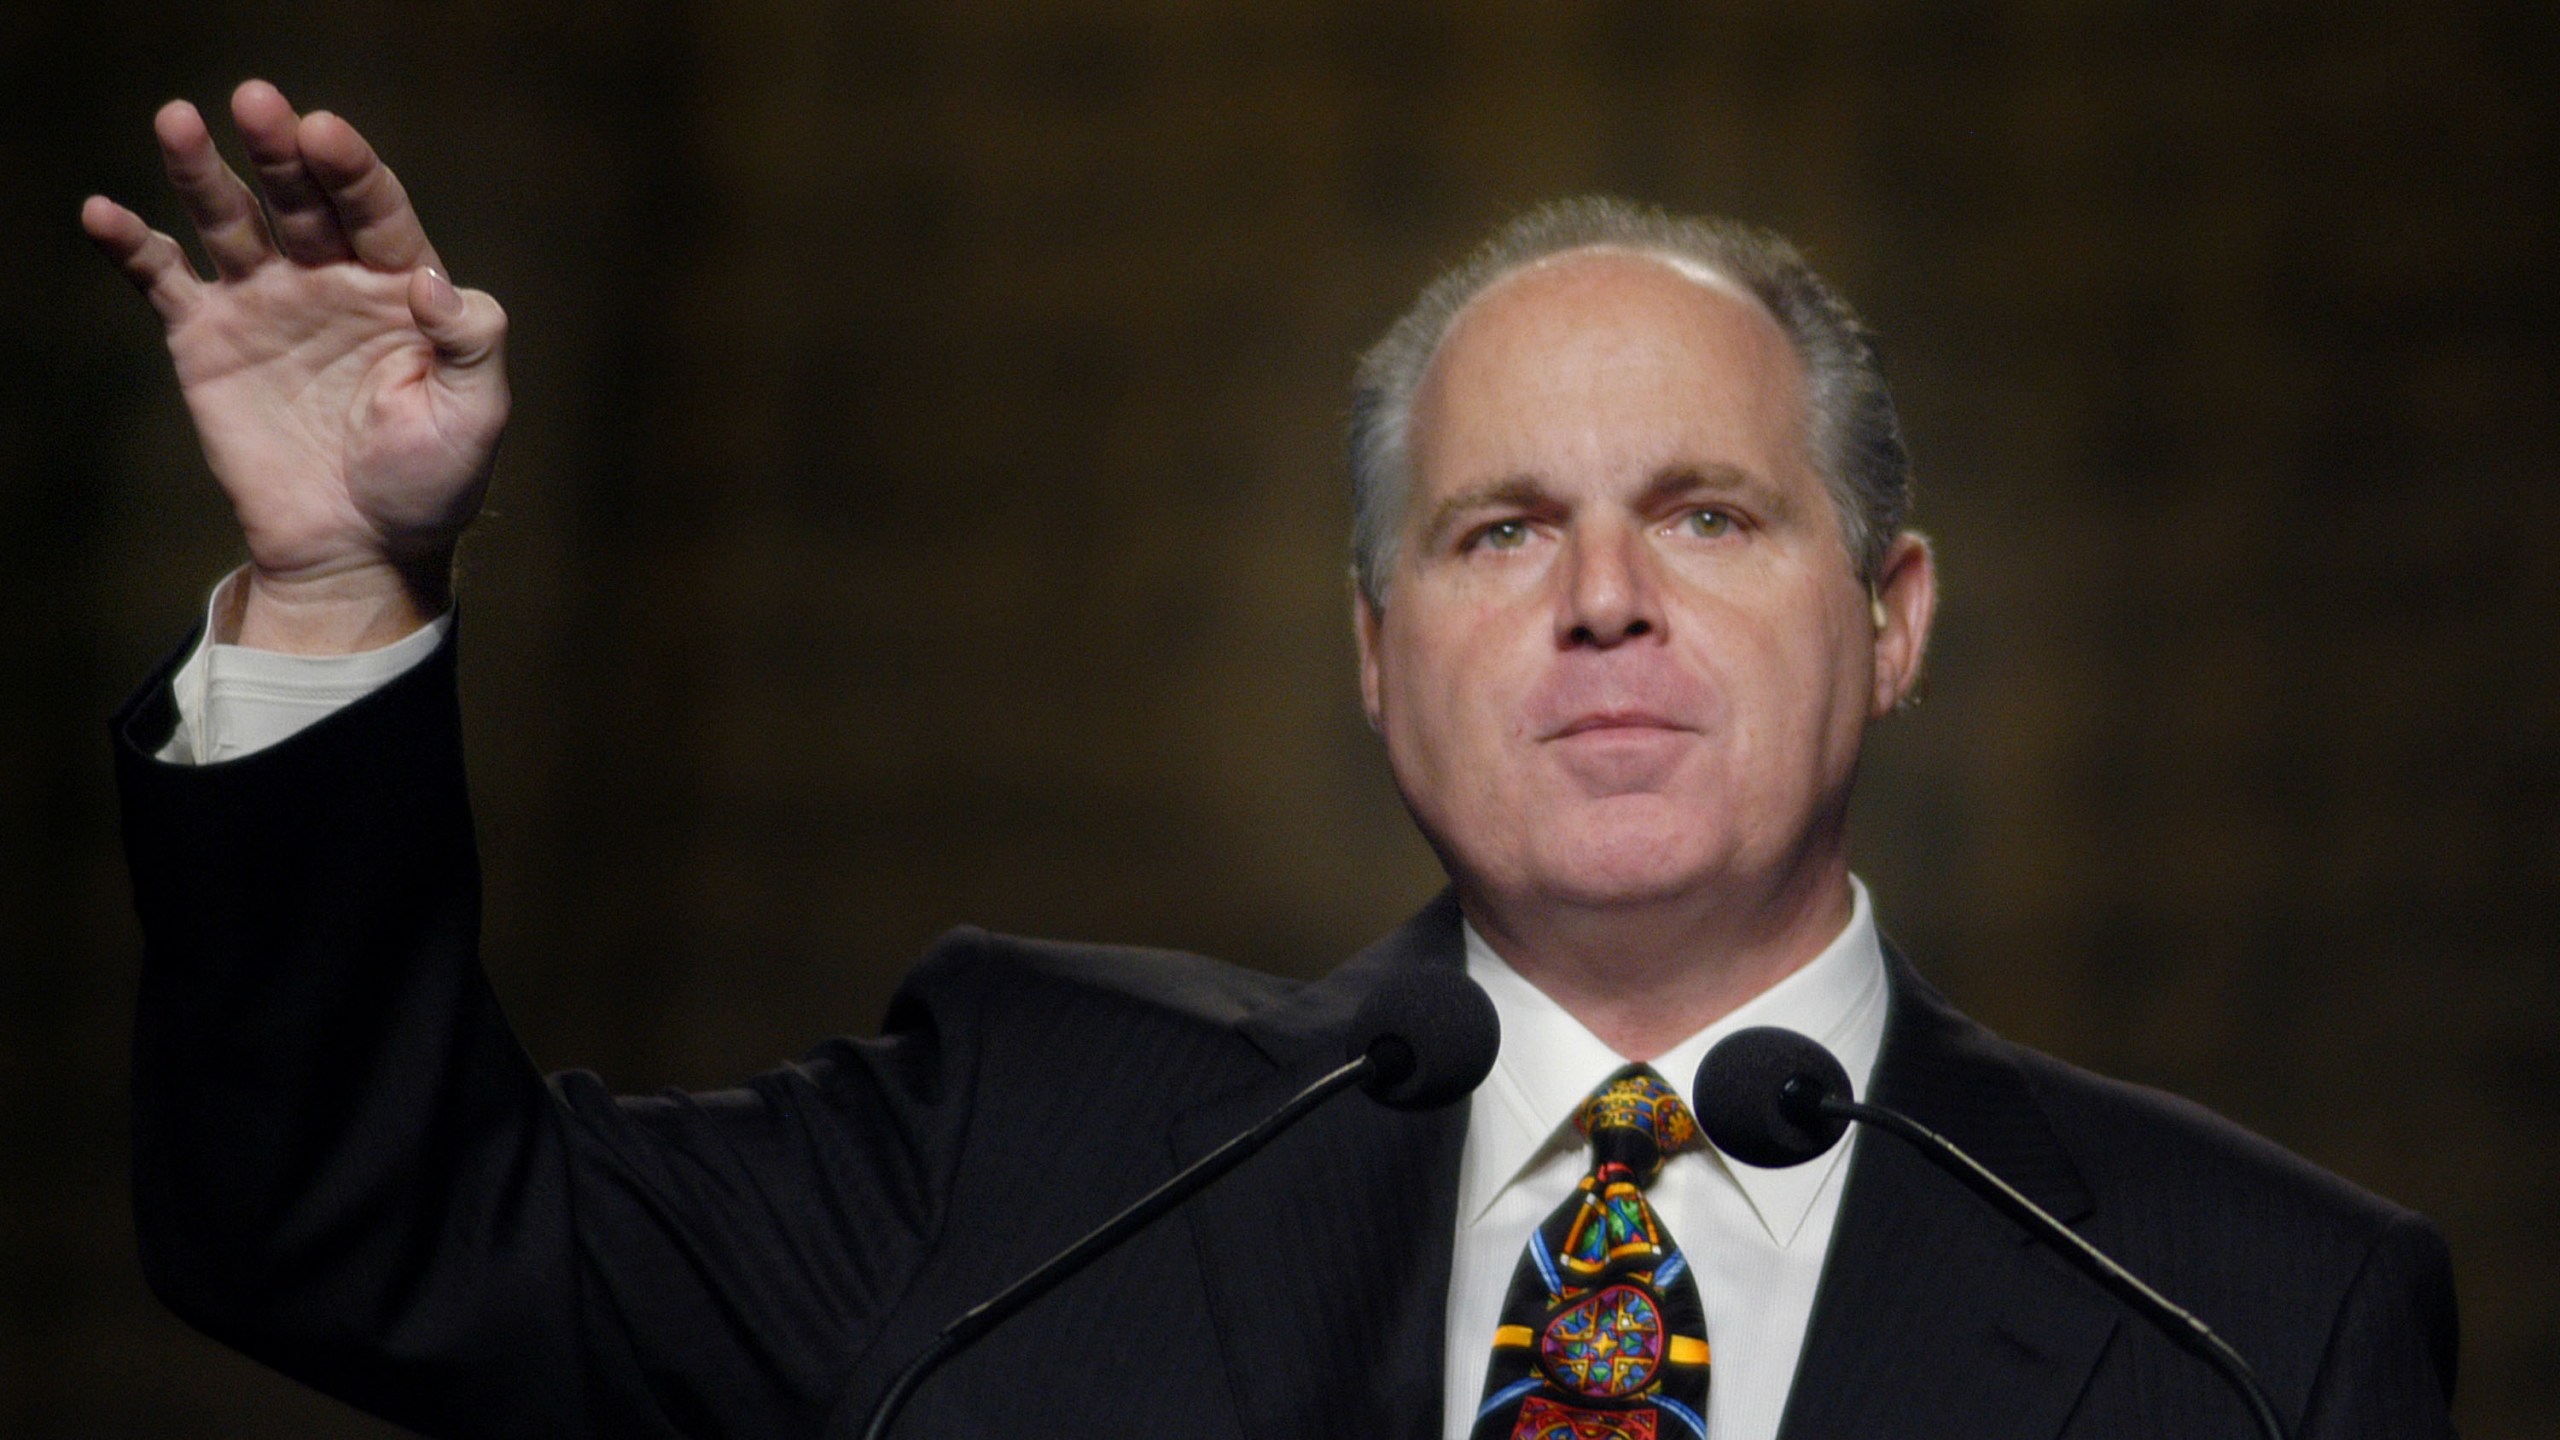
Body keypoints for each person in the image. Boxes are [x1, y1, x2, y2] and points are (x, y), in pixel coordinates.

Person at [93, 81, 2456, 1439]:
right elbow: (361, 1229)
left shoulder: (2247, 1316)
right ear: (1370, 649)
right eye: (1498, 528)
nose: (1600, 599)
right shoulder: (1022, 1153)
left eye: (1706, 513)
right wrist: (329, 583)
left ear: (1892, 615)